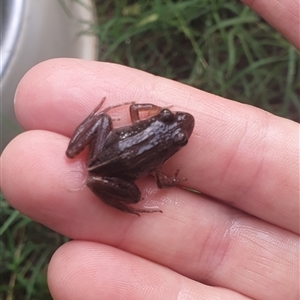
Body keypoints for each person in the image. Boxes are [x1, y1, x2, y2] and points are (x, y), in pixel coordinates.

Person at [1, 0, 299, 299]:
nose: (178, 120)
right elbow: (157, 176)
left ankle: (112, 176)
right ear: (161, 122)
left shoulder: (151, 134)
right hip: (108, 166)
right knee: (134, 192)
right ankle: (125, 199)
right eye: (168, 117)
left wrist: (156, 113)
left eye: (178, 139)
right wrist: (171, 180)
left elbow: (134, 110)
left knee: (104, 122)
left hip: (105, 151)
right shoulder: (158, 160)